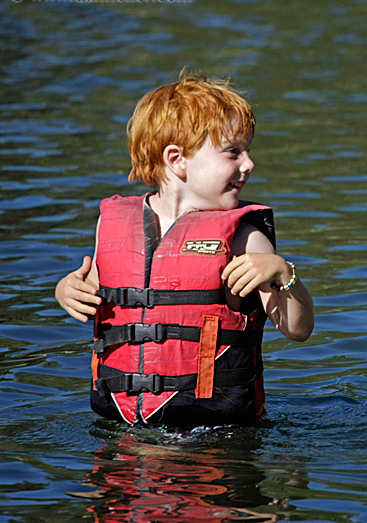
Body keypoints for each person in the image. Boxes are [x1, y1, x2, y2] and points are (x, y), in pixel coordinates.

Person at [55, 71, 314, 427]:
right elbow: (95, 292)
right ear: (177, 159)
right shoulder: (112, 225)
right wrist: (66, 289)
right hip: (121, 430)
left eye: (247, 151)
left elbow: (298, 329)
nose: (248, 164)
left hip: (214, 438)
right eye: (233, 152)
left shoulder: (245, 239)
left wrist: (284, 273)